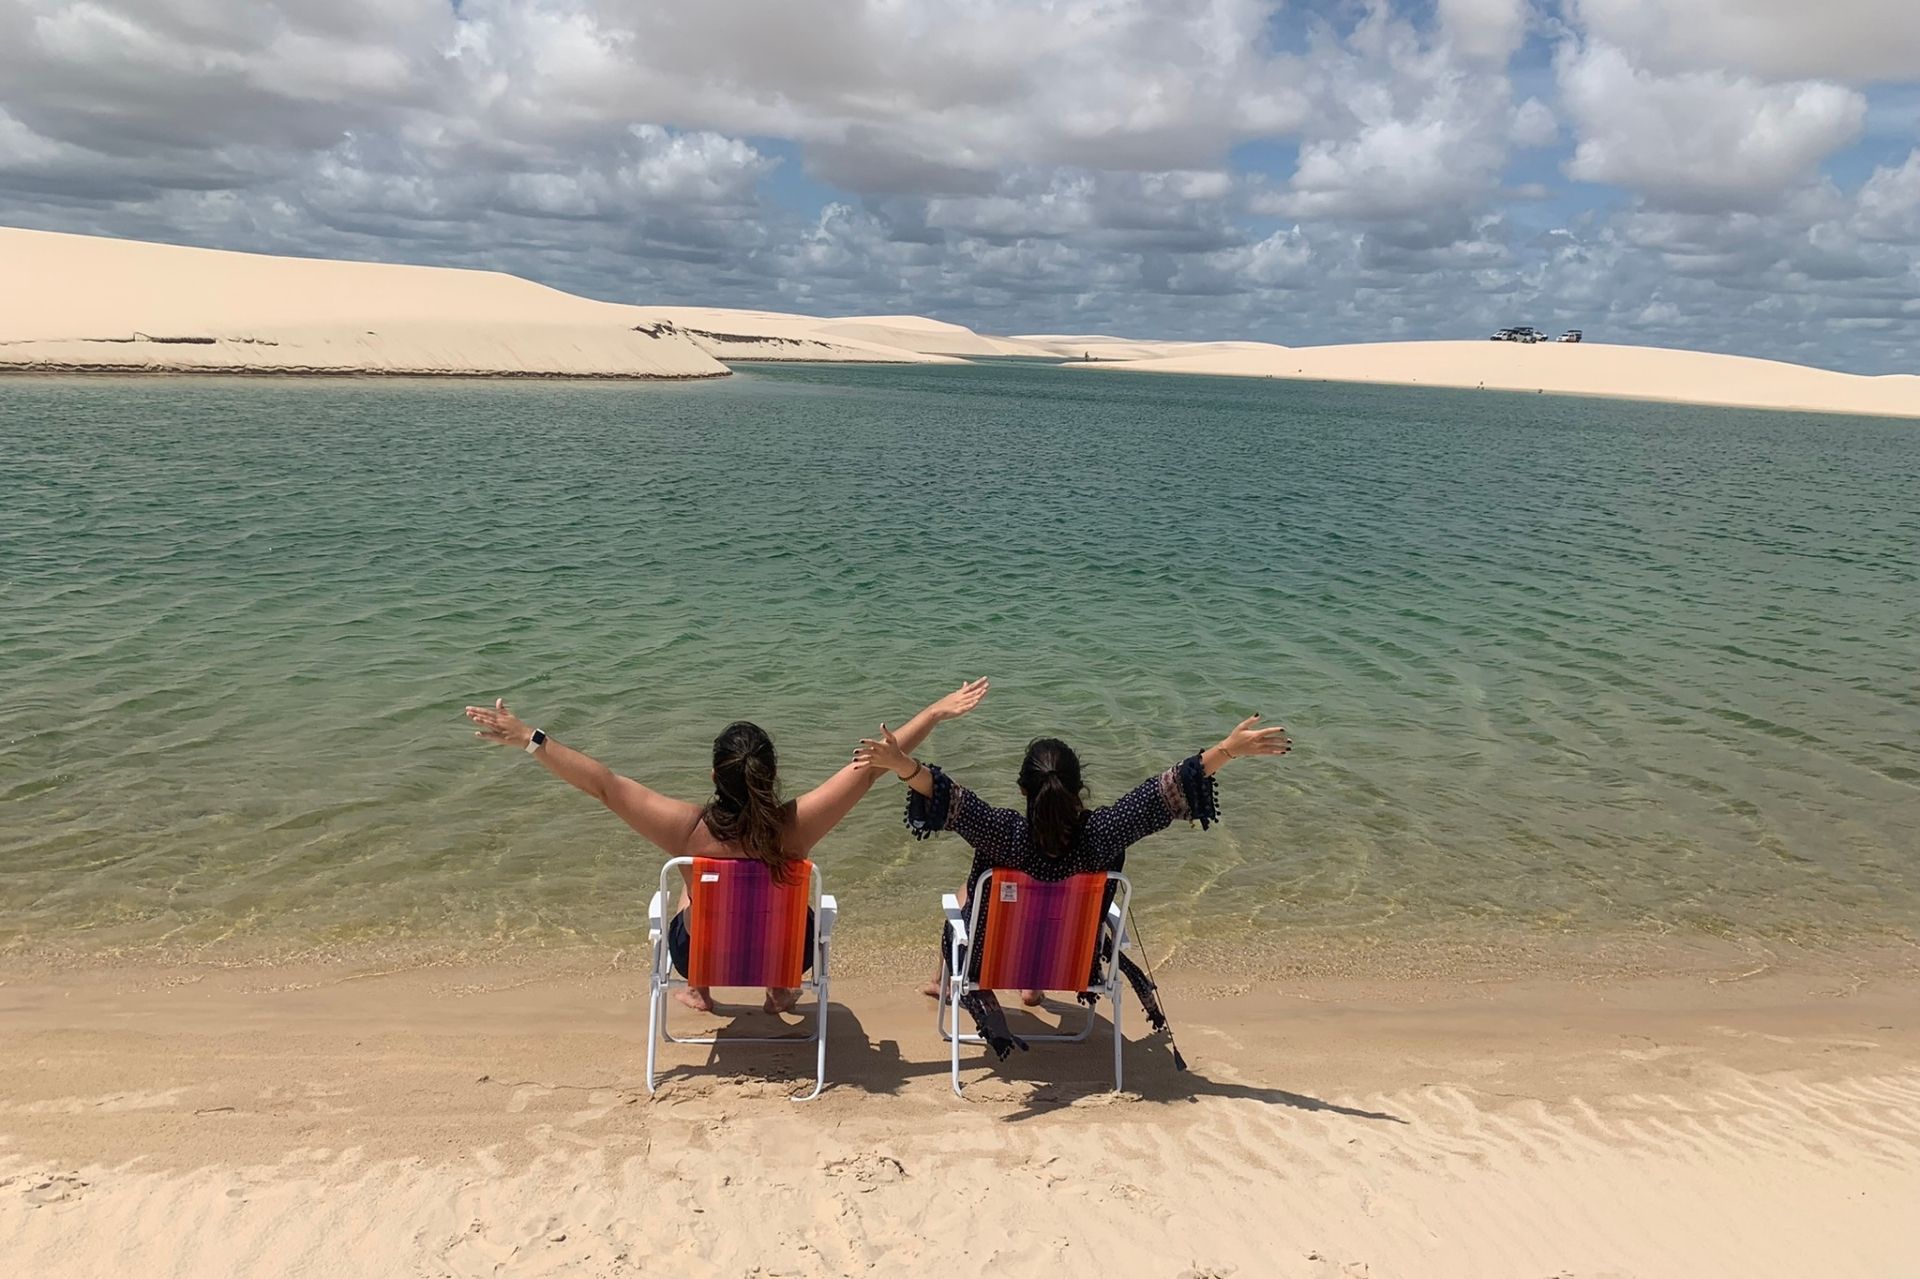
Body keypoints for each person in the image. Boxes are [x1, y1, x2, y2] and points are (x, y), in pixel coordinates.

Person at [466, 678, 989, 1013]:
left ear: (714, 774)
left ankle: (699, 989)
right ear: (774, 773)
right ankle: (779, 988)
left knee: (694, 889)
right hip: (789, 955)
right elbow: (876, 765)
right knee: (783, 892)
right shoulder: (796, 828)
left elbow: (603, 784)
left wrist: (530, 738)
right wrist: (935, 713)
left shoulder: (685, 831)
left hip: (701, 956)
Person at [853, 714, 1291, 1056]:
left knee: (973, 895)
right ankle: (1034, 984)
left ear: (1022, 790)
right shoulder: (1102, 833)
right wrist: (1228, 751)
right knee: (1033, 900)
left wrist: (900, 764)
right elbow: (1164, 791)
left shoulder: (1002, 833)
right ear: (1080, 789)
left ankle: (947, 982)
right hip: (1072, 962)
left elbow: (946, 795)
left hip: (993, 959)